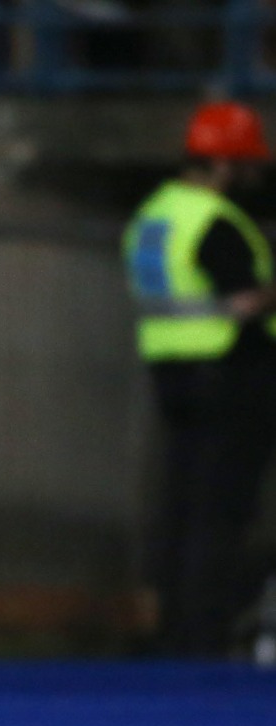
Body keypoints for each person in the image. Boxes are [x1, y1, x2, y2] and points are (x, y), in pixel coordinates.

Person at [122, 100, 276, 658]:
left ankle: (175, 630)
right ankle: (204, 636)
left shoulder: (155, 215)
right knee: (221, 512)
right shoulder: (214, 221)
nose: (254, 179)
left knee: (182, 505)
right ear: (227, 165)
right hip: (229, 375)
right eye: (250, 167)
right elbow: (242, 303)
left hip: (173, 375)